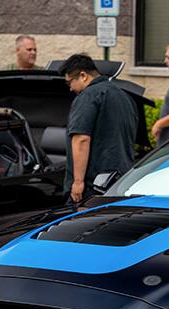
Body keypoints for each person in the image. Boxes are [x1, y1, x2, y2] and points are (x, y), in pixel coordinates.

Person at [59, 53, 138, 203]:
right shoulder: (125, 97)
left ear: (83, 76)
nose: (70, 89)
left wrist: (77, 182)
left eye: (69, 82)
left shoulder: (87, 96)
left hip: (92, 187)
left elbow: (81, 139)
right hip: (121, 183)